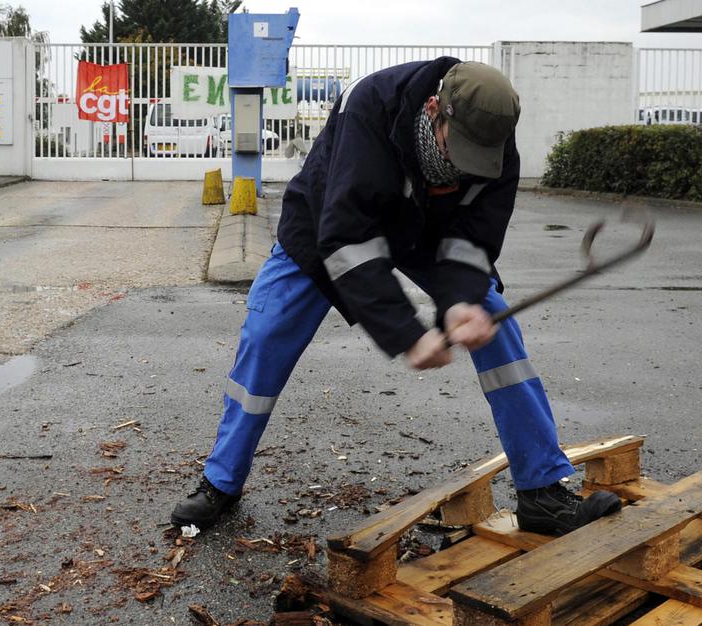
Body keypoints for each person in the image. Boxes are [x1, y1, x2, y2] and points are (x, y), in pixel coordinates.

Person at [171, 59, 621, 536]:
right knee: (266, 335)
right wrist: (407, 334)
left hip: (426, 233)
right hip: (328, 224)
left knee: (496, 322)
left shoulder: (494, 141)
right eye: (457, 149)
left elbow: (473, 239)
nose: (465, 165)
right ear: (434, 110)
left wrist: (462, 301)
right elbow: (348, 238)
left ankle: (542, 492)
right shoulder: (371, 106)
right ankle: (221, 481)